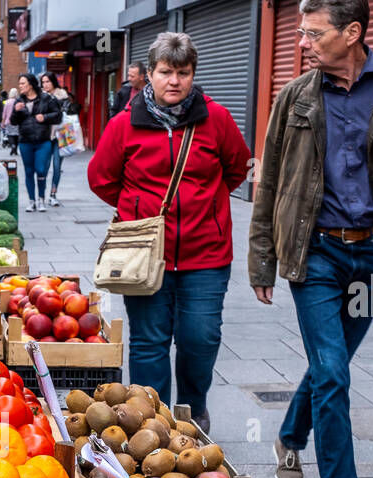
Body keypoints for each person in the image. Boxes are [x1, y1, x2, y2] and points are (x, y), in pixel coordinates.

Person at [248, 0, 373, 478]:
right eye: (300, 31)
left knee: (334, 365)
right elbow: (272, 180)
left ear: (352, 33)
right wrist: (263, 256)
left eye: (312, 32)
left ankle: (288, 436)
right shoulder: (295, 96)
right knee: (332, 370)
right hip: (317, 252)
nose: (302, 41)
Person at [89, 34, 251, 436]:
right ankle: (150, 420)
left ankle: (194, 411)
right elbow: (101, 179)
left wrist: (207, 205)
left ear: (193, 75)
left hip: (206, 255)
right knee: (149, 343)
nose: (174, 81)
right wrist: (138, 211)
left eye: (183, 73)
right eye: (166, 72)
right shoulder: (124, 124)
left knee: (201, 339)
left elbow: (235, 169)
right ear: (150, 75)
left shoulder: (217, 120)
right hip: (143, 254)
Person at [10, 73, 62, 212]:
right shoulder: (19, 100)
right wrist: (16, 111)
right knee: (28, 171)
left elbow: (58, 116)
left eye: (23, 83)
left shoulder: (46, 98)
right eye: (20, 84)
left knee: (40, 170)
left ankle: (41, 199)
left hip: (43, 141)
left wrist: (44, 117)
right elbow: (13, 122)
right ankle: (32, 201)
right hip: (25, 141)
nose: (20, 86)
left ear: (31, 85)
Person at [40, 72, 74, 206]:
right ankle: (41, 195)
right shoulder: (40, 97)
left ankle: (53, 194)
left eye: (47, 81)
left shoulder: (62, 96)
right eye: (43, 82)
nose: (45, 85)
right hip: (45, 135)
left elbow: (67, 115)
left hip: (60, 135)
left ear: (53, 82)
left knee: (56, 166)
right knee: (43, 167)